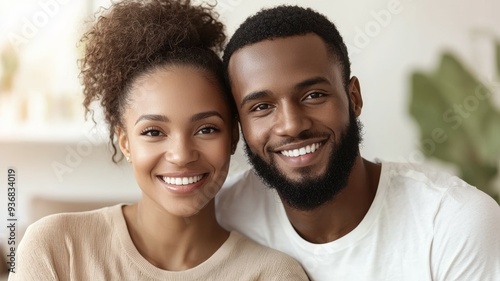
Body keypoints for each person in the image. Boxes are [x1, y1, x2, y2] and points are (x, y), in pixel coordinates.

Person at [9, 1, 309, 280]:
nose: (181, 155)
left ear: (233, 136)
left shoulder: (272, 274)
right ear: (125, 142)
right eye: (153, 132)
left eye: (206, 129)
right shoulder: (57, 248)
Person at [216, 5, 500, 281]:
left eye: (313, 95)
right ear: (239, 125)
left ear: (354, 98)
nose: (291, 125)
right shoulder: (224, 216)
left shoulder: (452, 223)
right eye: (262, 106)